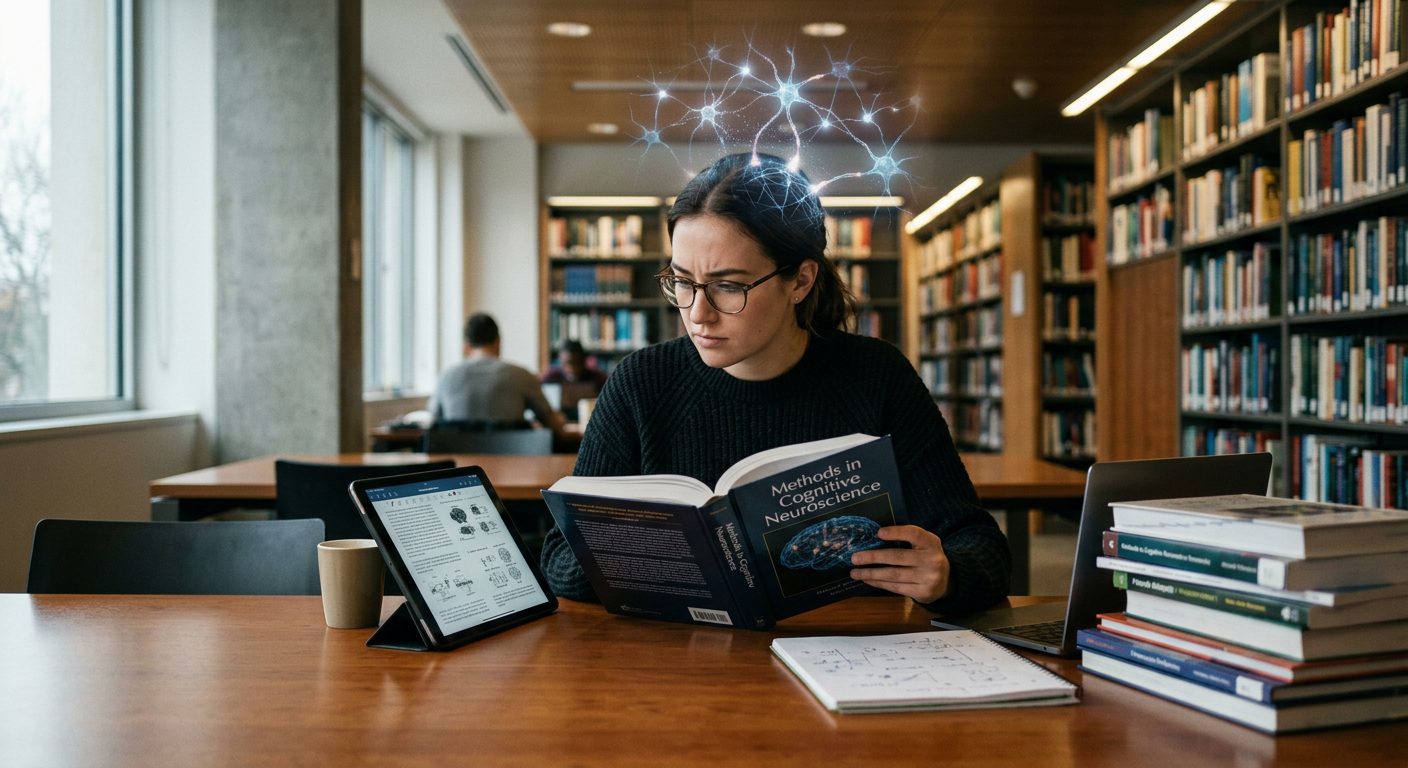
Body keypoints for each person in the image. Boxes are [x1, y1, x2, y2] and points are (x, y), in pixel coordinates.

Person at [539, 153, 1011, 615]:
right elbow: (560, 561)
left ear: (800, 281)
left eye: (728, 286)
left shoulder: (875, 376)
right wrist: (653, 550)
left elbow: (982, 548)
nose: (696, 314)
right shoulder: (641, 383)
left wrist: (946, 575)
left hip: (849, 655)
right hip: (686, 662)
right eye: (682, 281)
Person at [429, 313, 565, 436]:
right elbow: (553, 424)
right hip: (512, 461)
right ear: (498, 340)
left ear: (466, 345)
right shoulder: (522, 375)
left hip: (459, 461)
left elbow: (434, 424)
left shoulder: (445, 377)